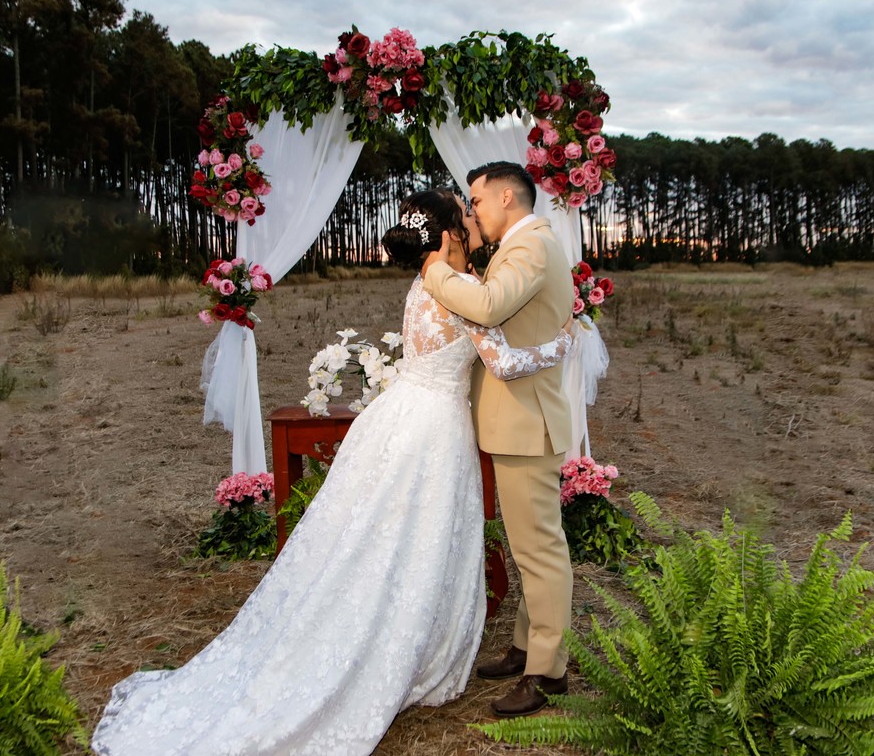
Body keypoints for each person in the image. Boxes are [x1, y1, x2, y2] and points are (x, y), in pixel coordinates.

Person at [91, 188, 572, 756]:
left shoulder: (424, 285)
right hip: (433, 431)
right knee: (414, 539)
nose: (474, 219)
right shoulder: (460, 288)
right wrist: (559, 345)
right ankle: (394, 641)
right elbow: (505, 361)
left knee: (373, 534)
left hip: (398, 417)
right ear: (449, 235)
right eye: (466, 215)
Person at [421, 161, 574, 718]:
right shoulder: (522, 245)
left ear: (507, 196)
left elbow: (488, 308)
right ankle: (526, 646)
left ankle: (548, 672)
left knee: (540, 551)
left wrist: (434, 270)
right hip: (519, 419)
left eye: (478, 201)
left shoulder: (530, 246)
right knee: (530, 548)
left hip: (527, 423)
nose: (474, 211)